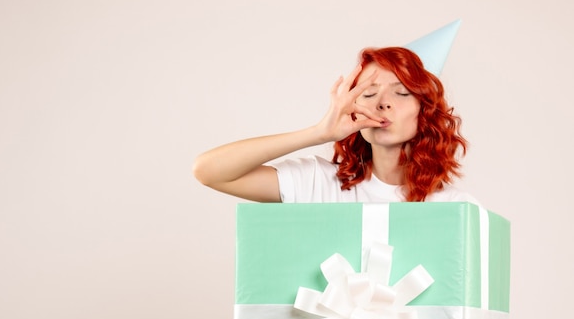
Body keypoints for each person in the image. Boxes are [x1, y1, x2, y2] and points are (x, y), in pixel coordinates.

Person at [193, 46, 478, 204]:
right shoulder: (319, 184)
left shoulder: (455, 208)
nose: (382, 102)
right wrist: (319, 133)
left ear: (425, 110)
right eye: (368, 93)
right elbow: (210, 172)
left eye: (401, 92)